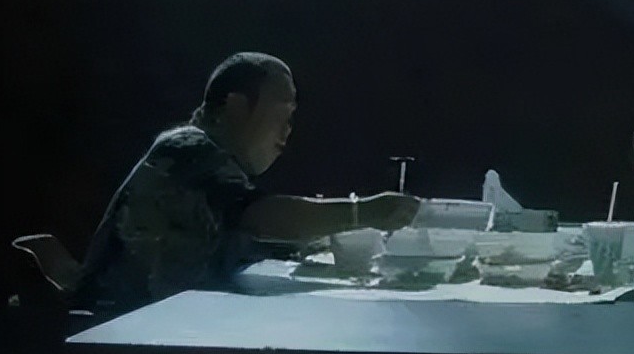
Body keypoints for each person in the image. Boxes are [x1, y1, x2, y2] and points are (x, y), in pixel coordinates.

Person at [76, 52, 420, 312]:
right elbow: (260, 218)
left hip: (155, 329)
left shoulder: (214, 169)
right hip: (118, 336)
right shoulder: (187, 148)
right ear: (237, 106)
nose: (287, 130)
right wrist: (364, 212)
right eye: (282, 113)